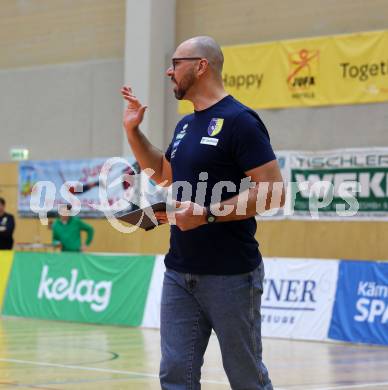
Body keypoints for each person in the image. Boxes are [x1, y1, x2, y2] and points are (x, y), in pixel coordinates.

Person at [121, 36, 285, 390]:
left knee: (245, 377)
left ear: (201, 65)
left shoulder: (240, 121)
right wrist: (134, 133)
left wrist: (208, 214)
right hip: (180, 272)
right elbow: (165, 176)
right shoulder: (185, 125)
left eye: (176, 63)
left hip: (232, 275)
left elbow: (273, 192)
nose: (169, 70)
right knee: (175, 374)